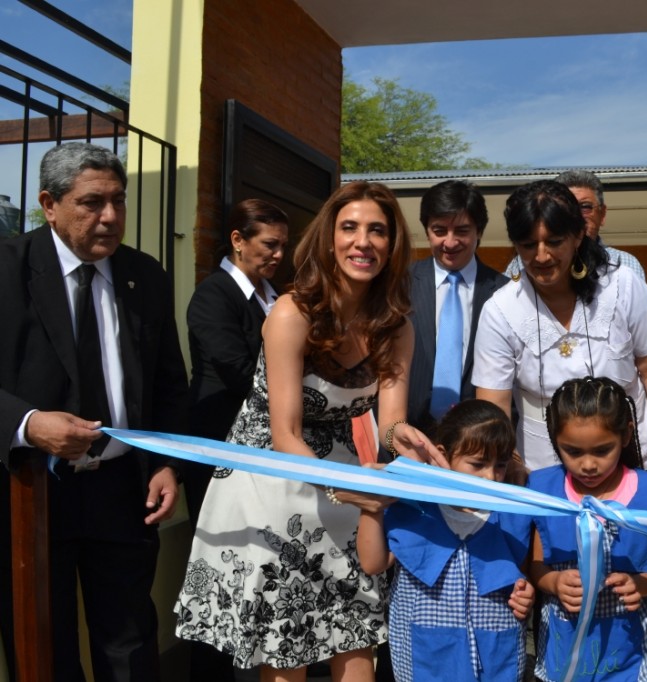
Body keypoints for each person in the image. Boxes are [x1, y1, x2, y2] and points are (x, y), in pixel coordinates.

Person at [174, 181, 441, 681]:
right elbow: (285, 433)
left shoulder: (396, 324)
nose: (363, 241)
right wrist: (354, 490)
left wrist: (408, 440)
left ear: (392, 244)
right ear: (329, 238)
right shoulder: (291, 313)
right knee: (288, 634)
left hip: (342, 468)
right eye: (350, 228)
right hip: (269, 473)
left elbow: (391, 421)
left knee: (357, 620)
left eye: (377, 230)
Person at [0, 142, 188, 680]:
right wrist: (29, 425)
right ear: (49, 203)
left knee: (129, 643)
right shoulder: (8, 270)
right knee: (43, 643)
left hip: (124, 490)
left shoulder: (143, 276)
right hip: (30, 493)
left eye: (118, 201)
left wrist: (165, 465)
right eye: (91, 202)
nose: (109, 217)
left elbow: (170, 384)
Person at [474, 180, 647, 474]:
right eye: (528, 245)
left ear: (579, 236)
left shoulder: (622, 286)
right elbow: (495, 408)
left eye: (554, 242)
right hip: (544, 473)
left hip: (634, 464)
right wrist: (515, 472)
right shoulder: (500, 310)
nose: (541, 256)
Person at [357, 399, 534, 682]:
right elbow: (372, 562)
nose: (490, 477)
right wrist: (372, 504)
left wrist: (526, 594)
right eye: (477, 464)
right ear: (443, 455)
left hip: (494, 660)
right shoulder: (416, 508)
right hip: (424, 658)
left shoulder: (513, 516)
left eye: (499, 466)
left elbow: (521, 578)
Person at [528, 377, 647, 682]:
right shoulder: (544, 491)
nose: (588, 465)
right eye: (572, 451)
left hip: (629, 640)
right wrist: (555, 581)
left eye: (601, 450)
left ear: (626, 436)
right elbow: (535, 564)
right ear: (553, 439)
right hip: (564, 637)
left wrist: (643, 585)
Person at [184, 198, 289, 525]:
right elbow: (239, 373)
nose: (279, 255)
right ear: (238, 241)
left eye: (284, 245)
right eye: (270, 244)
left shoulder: (279, 296)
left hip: (270, 446)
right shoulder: (213, 295)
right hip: (220, 442)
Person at [407, 180, 508, 433]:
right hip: (405, 438)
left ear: (479, 231)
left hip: (476, 444)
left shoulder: (506, 293)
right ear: (427, 230)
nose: (450, 243)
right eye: (439, 230)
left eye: (462, 231)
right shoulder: (399, 286)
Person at [504, 169, 645, 282]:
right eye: (566, 208)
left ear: (602, 214)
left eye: (585, 206)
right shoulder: (524, 263)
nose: (576, 215)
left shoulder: (626, 267)